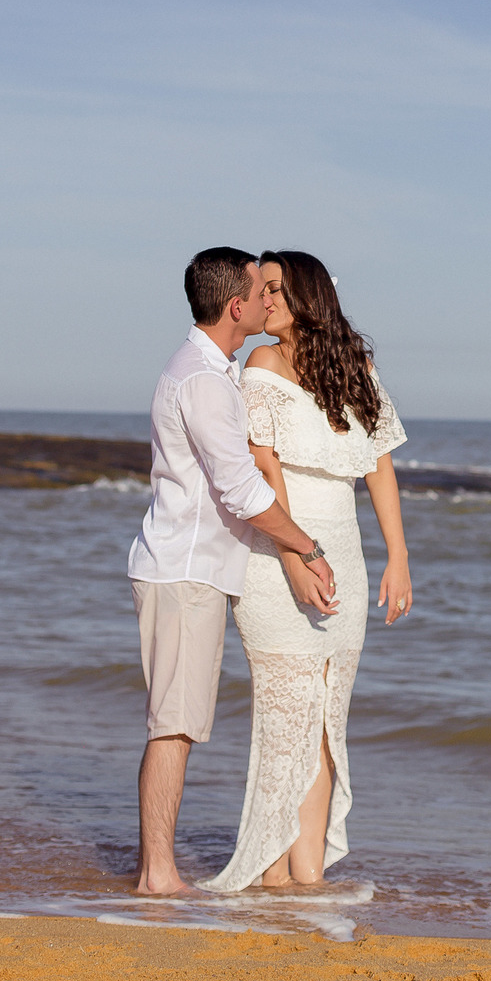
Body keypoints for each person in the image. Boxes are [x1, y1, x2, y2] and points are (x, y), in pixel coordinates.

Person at [127, 247, 337, 897]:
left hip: (193, 572)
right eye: (257, 289)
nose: (266, 300)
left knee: (179, 722)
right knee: (175, 725)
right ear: (235, 307)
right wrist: (306, 546)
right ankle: (157, 875)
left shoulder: (207, 371)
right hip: (185, 572)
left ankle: (157, 870)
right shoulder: (202, 380)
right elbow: (241, 490)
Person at [204, 250, 411, 893]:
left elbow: (378, 465)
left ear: (304, 296)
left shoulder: (358, 367)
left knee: (326, 725)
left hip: (343, 552)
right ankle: (270, 877)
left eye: (271, 288)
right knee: (285, 719)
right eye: (258, 289)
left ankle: (309, 877)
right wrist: (295, 559)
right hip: (279, 557)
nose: (261, 299)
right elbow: (265, 470)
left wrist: (398, 556)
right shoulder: (260, 365)